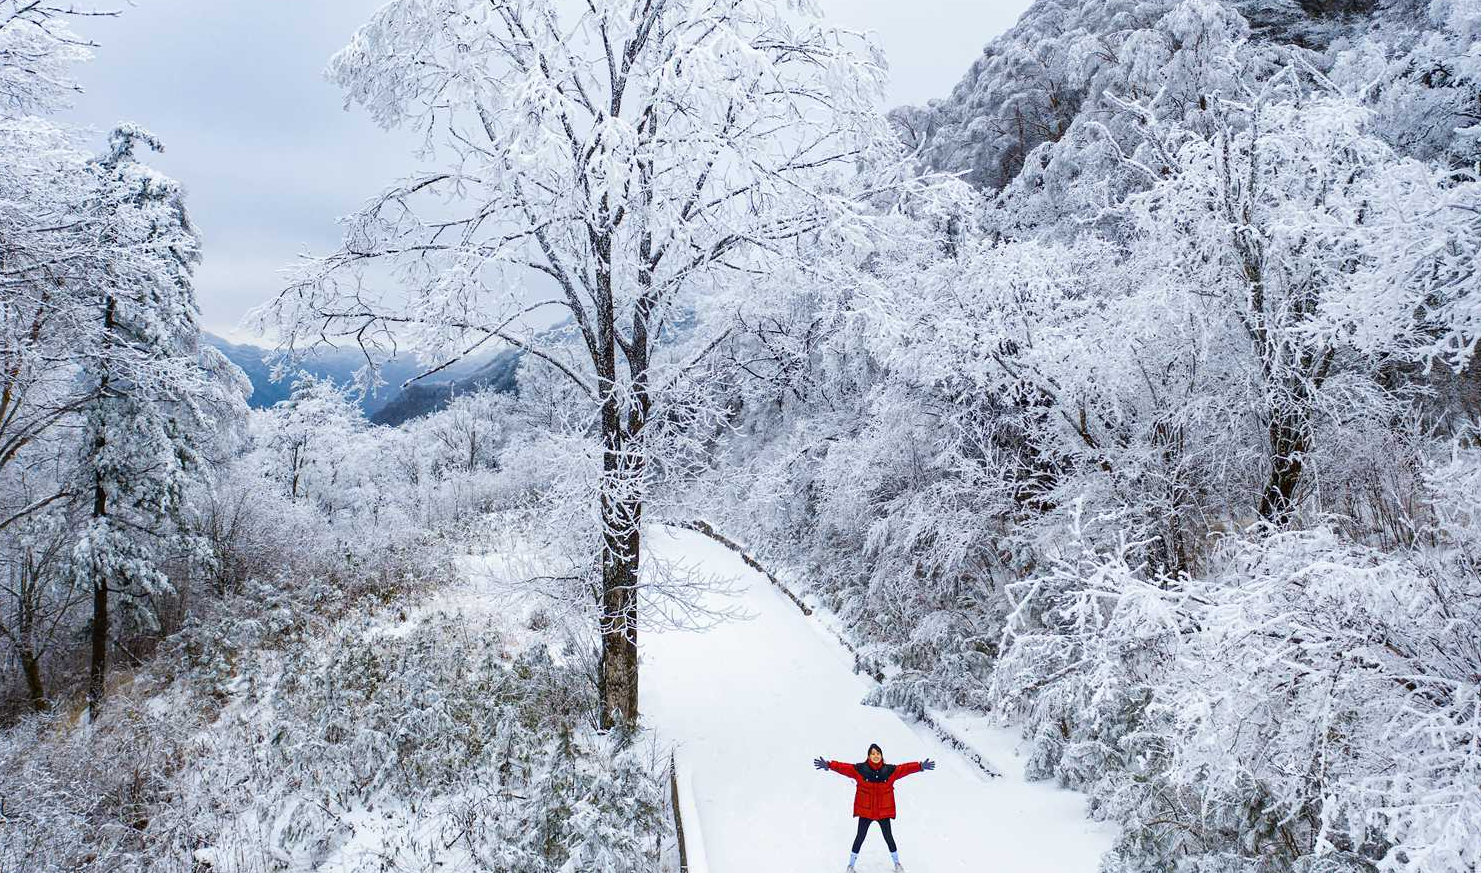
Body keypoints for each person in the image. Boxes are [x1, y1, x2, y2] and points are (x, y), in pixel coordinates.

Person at [814, 743, 935, 872]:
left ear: (881, 755)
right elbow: (843, 768)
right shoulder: (860, 770)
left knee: (889, 838)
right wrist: (829, 765)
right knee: (859, 837)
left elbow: (904, 768)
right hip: (866, 812)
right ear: (868, 756)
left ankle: (897, 864)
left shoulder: (889, 771)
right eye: (873, 753)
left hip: (883, 813)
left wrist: (920, 766)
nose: (875, 756)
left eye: (878, 753)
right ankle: (851, 866)